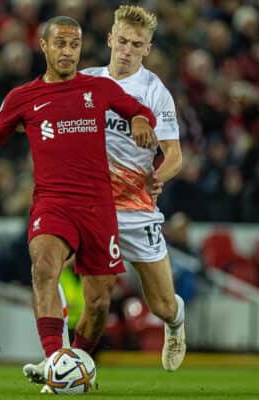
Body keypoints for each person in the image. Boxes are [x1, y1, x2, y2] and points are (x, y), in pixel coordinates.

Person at [0, 15, 157, 391]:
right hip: (53, 203)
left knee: (100, 302)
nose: (68, 52)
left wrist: (141, 119)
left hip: (97, 207)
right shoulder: (22, 97)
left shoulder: (99, 88)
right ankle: (56, 359)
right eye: (61, 44)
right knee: (43, 266)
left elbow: (140, 111)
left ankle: (76, 366)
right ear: (43, 46)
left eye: (74, 45)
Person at [81, 5, 186, 371]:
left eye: (135, 44)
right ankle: (62, 357)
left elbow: (174, 155)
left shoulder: (155, 92)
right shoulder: (84, 81)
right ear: (110, 39)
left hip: (135, 209)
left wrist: (159, 175)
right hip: (90, 207)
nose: (126, 49)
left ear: (147, 49)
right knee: (53, 267)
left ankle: (175, 323)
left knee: (162, 305)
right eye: (122, 41)